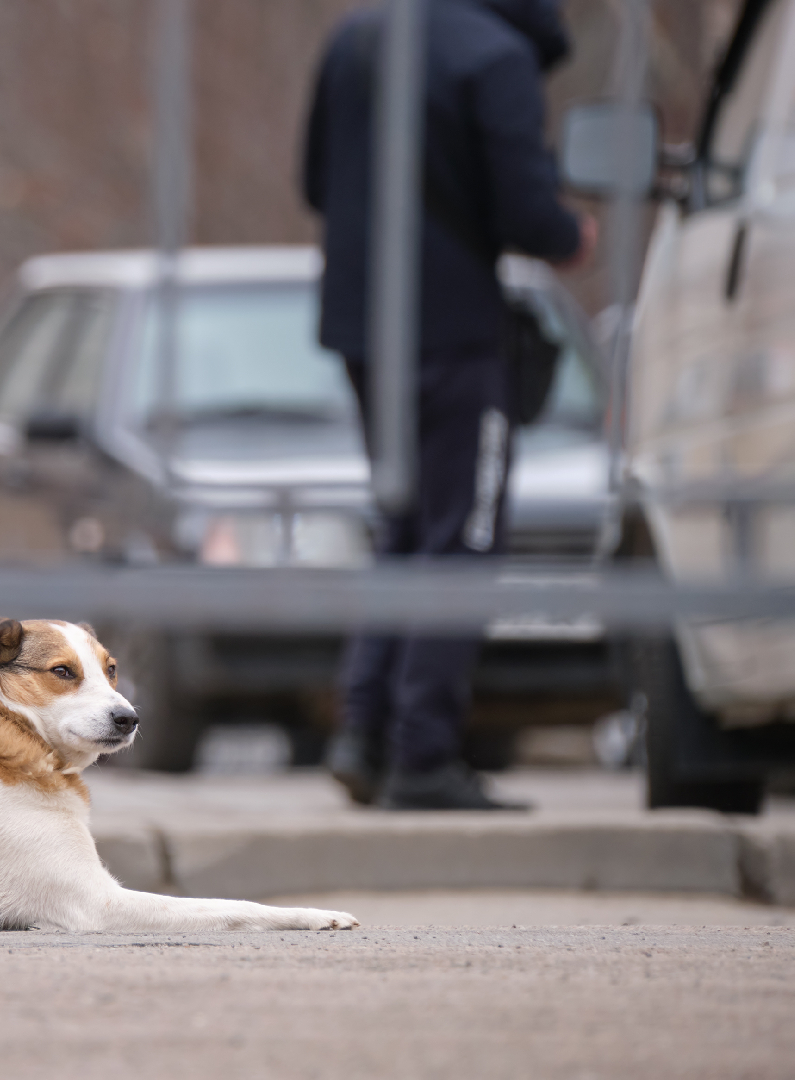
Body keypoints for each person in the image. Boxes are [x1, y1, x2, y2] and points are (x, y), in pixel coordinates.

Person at [301, 0, 595, 810]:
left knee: (403, 521)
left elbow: (315, 181)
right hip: (457, 329)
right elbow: (528, 211)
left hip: (363, 325)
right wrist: (573, 234)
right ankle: (422, 756)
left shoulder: (358, 34)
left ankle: (362, 735)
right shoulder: (496, 55)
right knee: (461, 535)